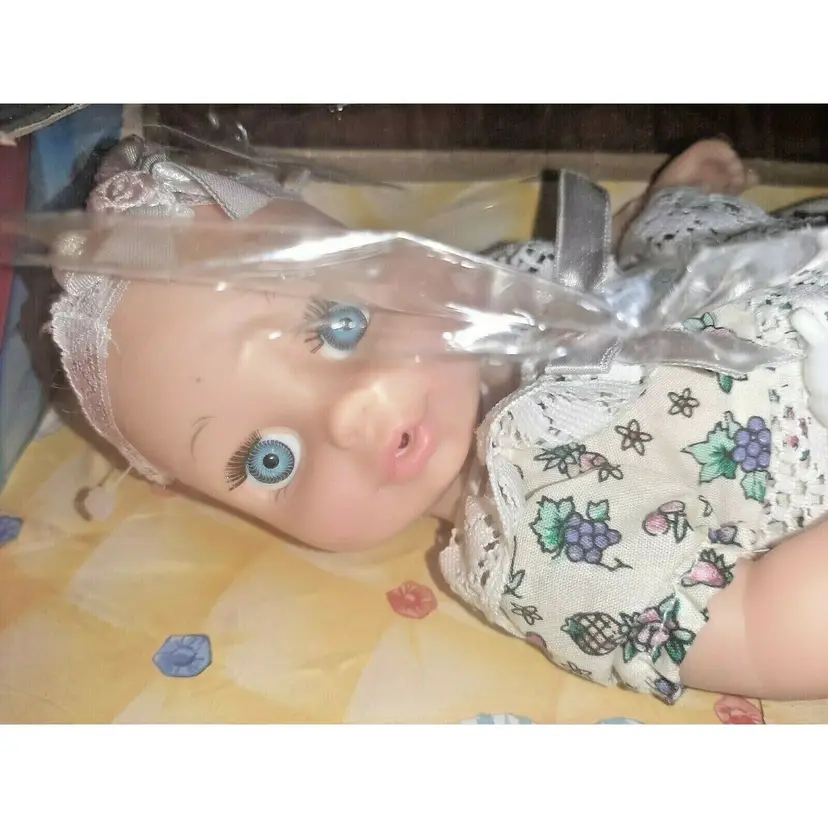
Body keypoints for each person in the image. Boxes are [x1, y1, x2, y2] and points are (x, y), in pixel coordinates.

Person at [50, 134, 828, 704]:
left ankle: (673, 209)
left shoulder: (501, 291)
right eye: (269, 459)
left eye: (342, 323)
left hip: (761, 274)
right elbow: (768, 632)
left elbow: (621, 278)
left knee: (677, 248)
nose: (348, 415)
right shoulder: (543, 557)